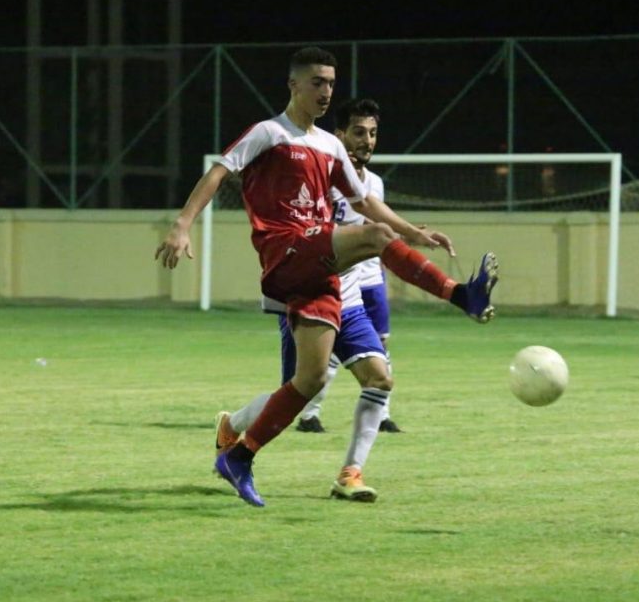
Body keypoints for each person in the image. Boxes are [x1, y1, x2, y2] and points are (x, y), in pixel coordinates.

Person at [156, 47, 497, 507]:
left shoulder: (330, 147)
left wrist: (414, 233)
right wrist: (182, 224)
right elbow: (219, 172)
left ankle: (240, 456)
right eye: (317, 82)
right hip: (286, 249)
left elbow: (364, 202)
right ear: (293, 84)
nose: (326, 91)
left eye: (331, 83)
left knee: (311, 380)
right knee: (373, 236)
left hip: (319, 270)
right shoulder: (269, 132)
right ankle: (460, 295)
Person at [295, 98, 400, 435]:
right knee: (330, 349)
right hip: (336, 276)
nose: (367, 140)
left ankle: (381, 415)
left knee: (380, 344)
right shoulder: (324, 178)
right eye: (359, 132)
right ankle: (309, 415)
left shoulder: (376, 183)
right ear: (339, 135)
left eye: (373, 133)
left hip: (371, 277)